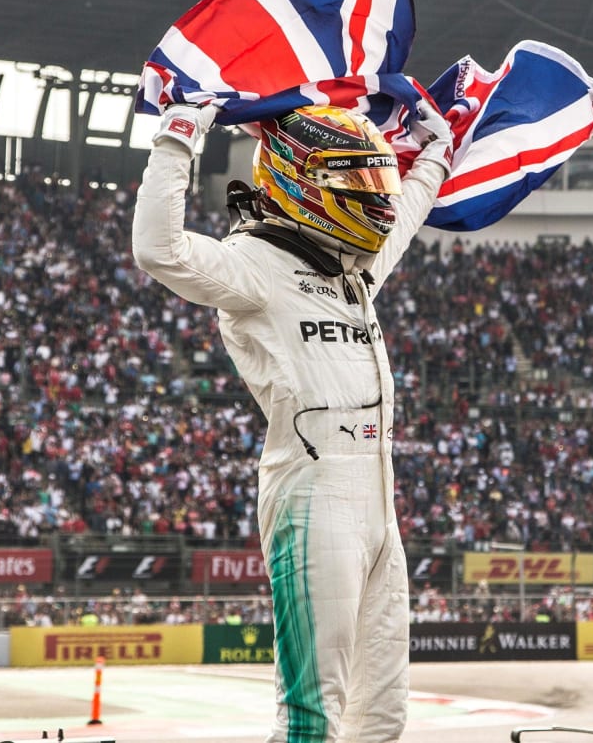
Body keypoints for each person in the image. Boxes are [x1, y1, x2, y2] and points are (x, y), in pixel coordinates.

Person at [133, 99, 452, 742]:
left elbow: (406, 217)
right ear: (305, 185)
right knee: (312, 711)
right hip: (313, 486)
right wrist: (177, 140)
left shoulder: (352, 271)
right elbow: (158, 249)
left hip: (376, 491)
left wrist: (437, 156)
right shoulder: (255, 266)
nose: (376, 203)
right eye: (355, 185)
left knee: (382, 713)